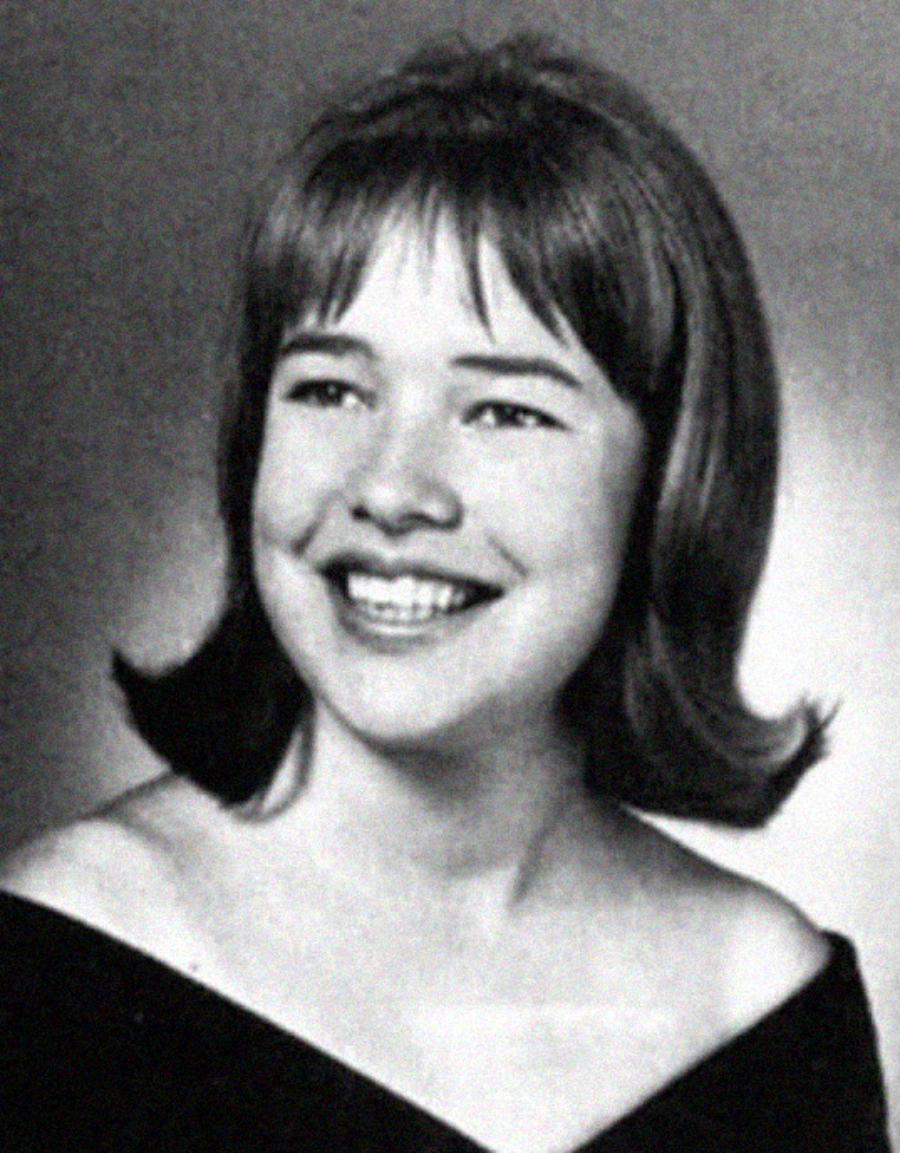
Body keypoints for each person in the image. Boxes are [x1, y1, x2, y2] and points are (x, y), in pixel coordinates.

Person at [0, 35, 889, 1152]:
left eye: (505, 410)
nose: (391, 486)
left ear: (668, 481)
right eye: (330, 387)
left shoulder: (765, 1001)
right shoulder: (53, 957)